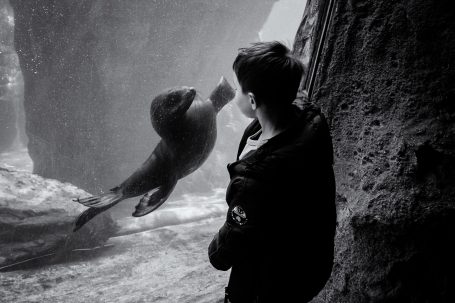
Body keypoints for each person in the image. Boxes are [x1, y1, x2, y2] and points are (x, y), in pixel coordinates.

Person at [208, 41, 336, 303]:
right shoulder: (311, 121)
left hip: (267, 284)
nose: (235, 94)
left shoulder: (254, 179)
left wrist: (215, 249)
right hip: (309, 265)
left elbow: (226, 250)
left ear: (252, 100)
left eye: (238, 89)